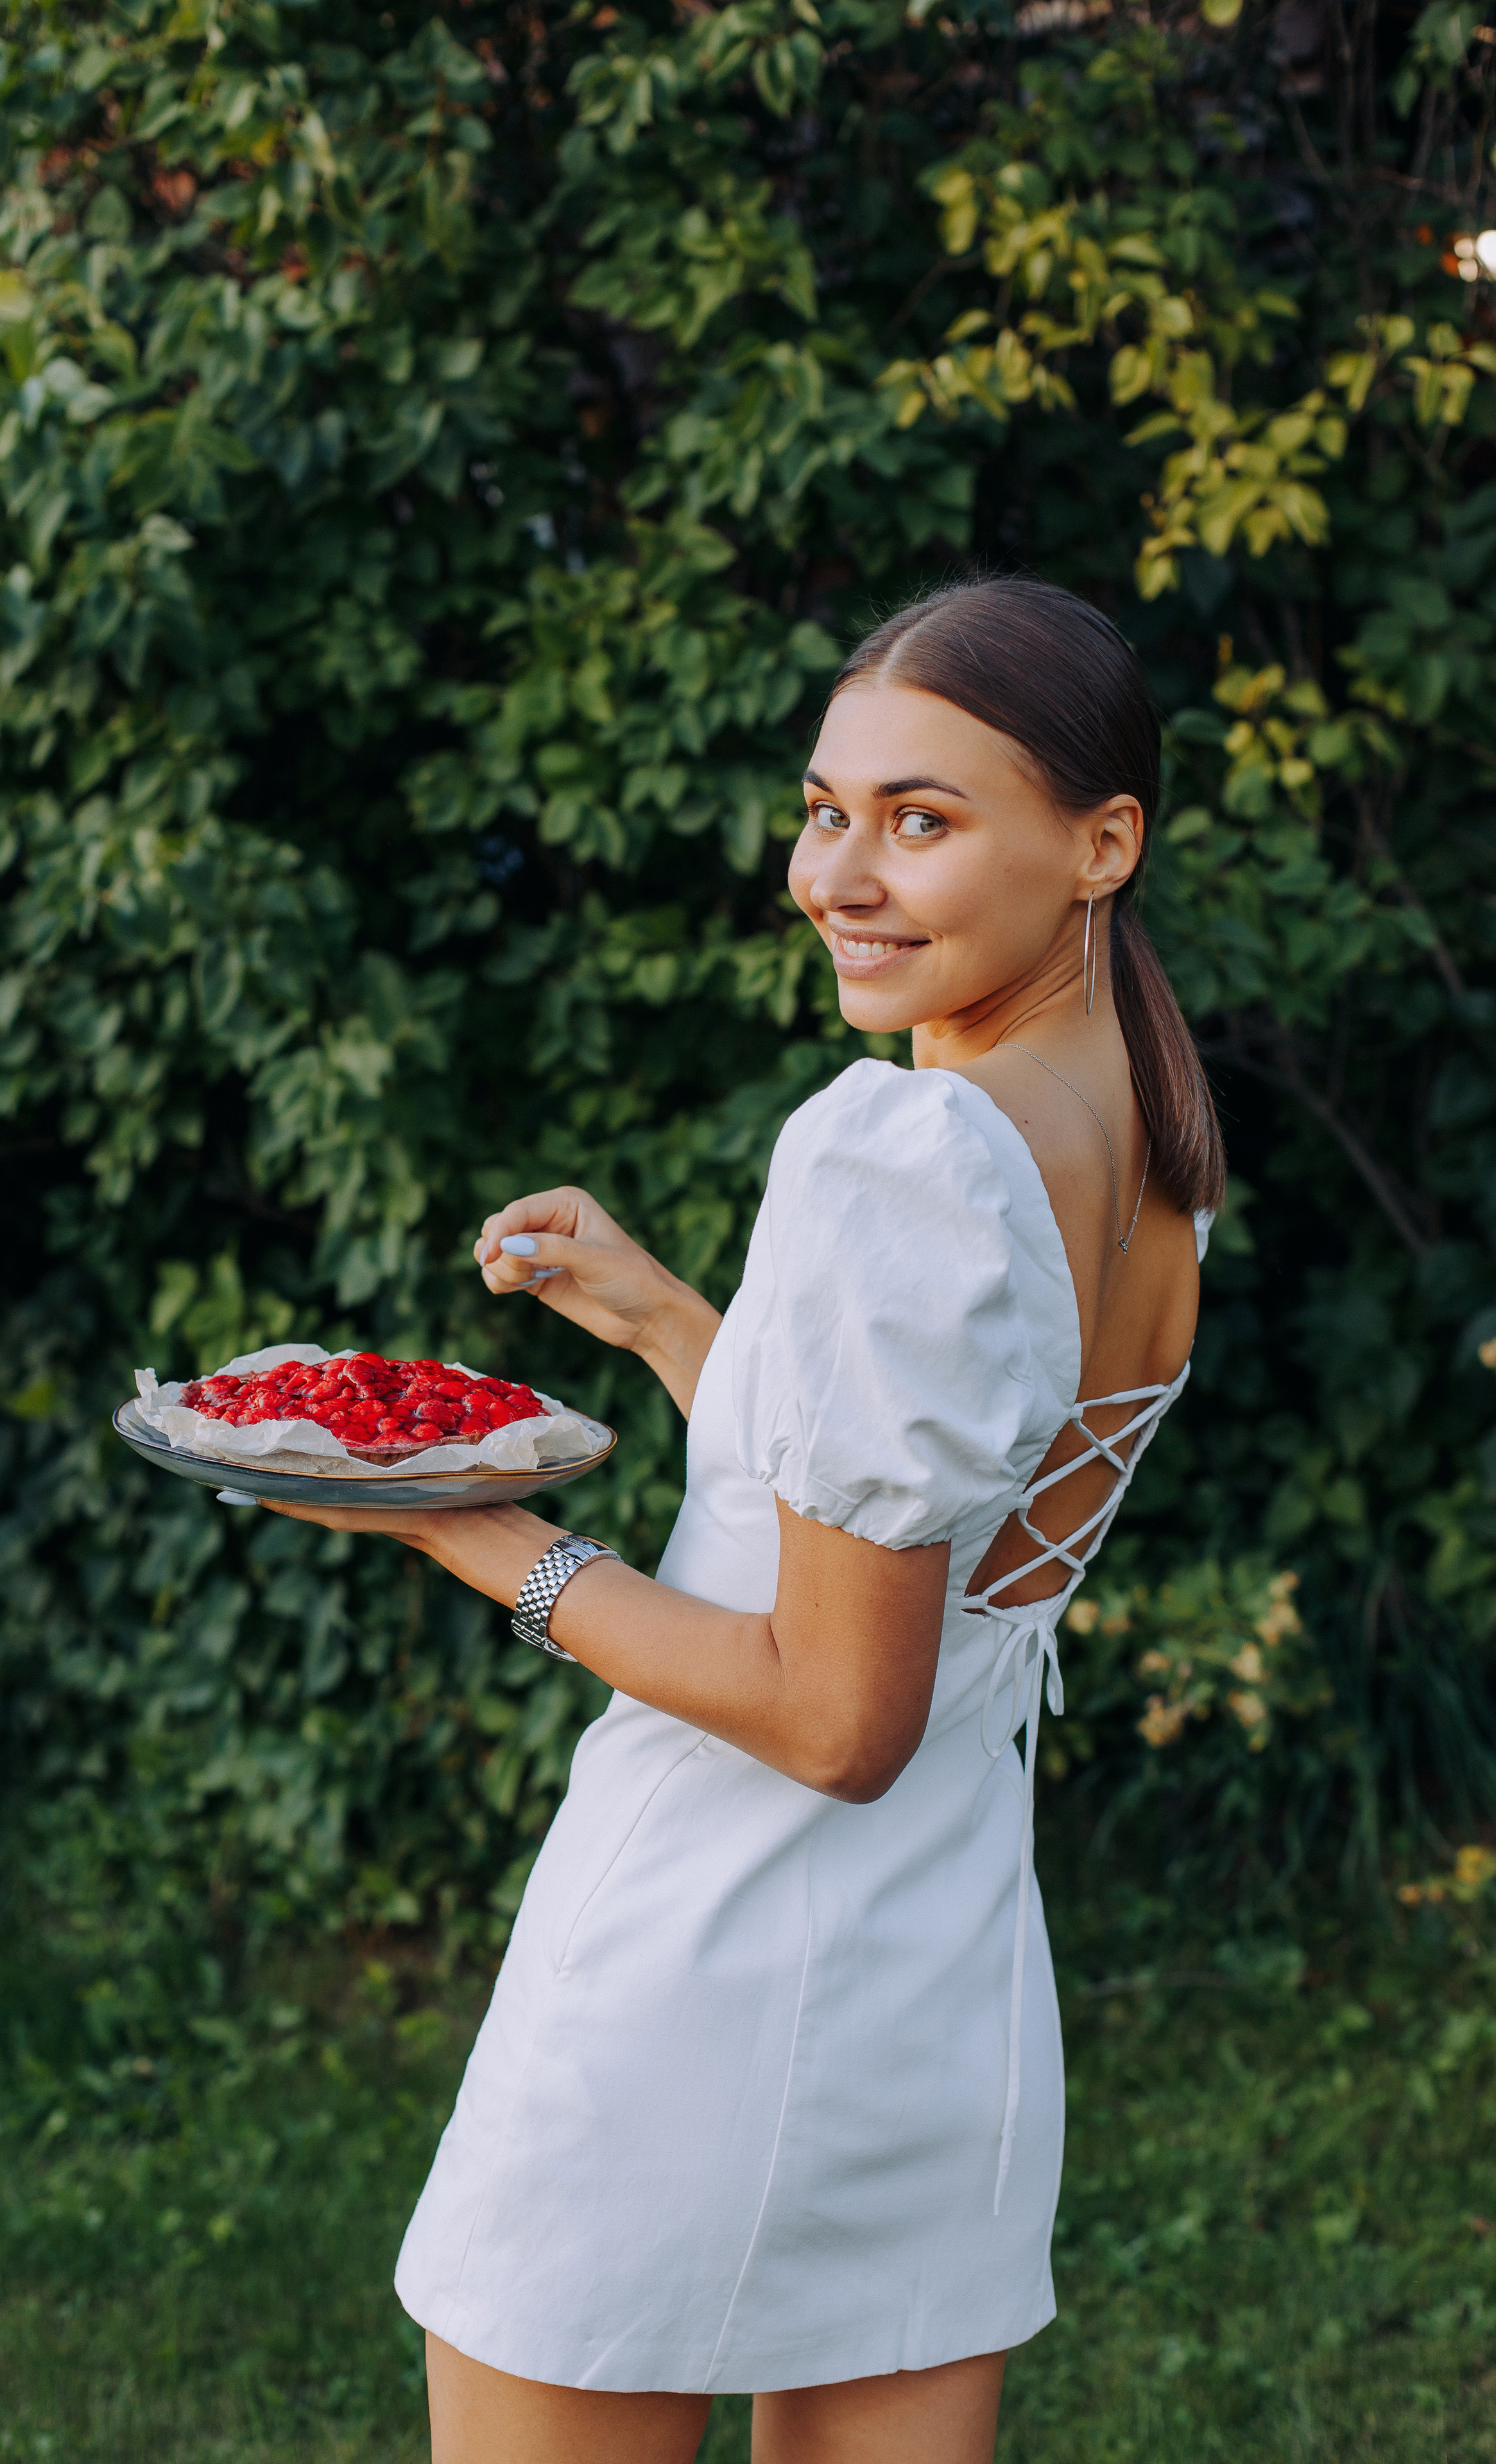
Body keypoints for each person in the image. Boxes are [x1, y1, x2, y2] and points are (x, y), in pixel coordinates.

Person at [264, 576, 1227, 2464]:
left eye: (922, 820)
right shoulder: (1142, 1136)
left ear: (1102, 842)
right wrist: (664, 1321)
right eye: (826, 809)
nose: (842, 874)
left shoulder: (904, 1146)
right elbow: (911, 1522)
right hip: (940, 1980)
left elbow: (832, 1712)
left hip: (698, 1966)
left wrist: (482, 1542)